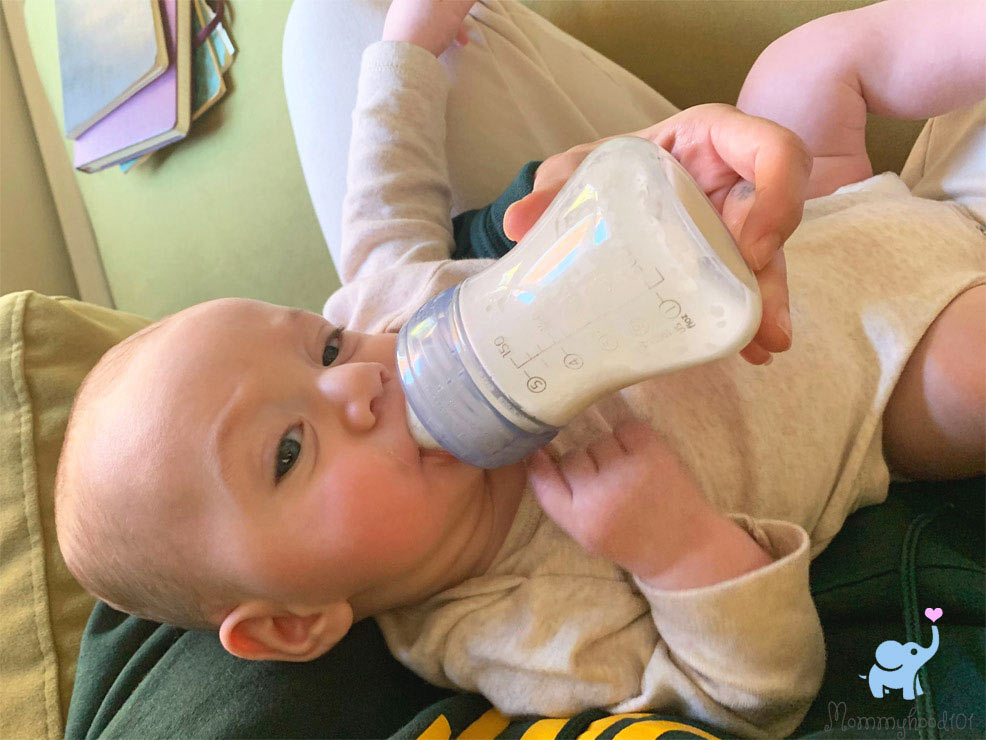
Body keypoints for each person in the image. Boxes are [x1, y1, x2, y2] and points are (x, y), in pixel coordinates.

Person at [53, 0, 984, 738]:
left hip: (810, 210)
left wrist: (412, 40)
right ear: (295, 623)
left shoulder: (385, 311)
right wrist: (680, 553)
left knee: (806, 67)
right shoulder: (508, 625)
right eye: (290, 452)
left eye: (321, 346)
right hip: (892, 364)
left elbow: (382, 184)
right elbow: (757, 695)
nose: (354, 380)